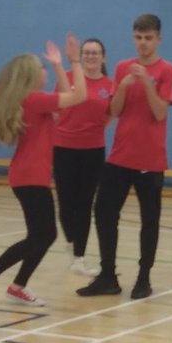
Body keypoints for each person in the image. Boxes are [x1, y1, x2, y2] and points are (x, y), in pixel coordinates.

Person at [0, 37, 86, 309]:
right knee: (42, 235)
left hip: (30, 175)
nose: (45, 71)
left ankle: (17, 286)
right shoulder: (33, 99)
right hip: (29, 176)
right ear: (31, 75)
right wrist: (74, 61)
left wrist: (58, 65)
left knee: (43, 235)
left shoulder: (34, 100)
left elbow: (67, 99)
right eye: (42, 68)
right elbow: (79, 96)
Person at [77, 14, 172, 300]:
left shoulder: (168, 71)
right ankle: (107, 276)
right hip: (120, 155)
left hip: (150, 159)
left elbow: (159, 112)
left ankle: (144, 277)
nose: (142, 43)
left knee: (150, 220)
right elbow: (115, 110)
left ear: (158, 39)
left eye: (148, 38)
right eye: (138, 38)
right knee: (104, 212)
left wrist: (146, 82)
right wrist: (122, 87)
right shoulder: (123, 67)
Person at [53, 37, 114, 277]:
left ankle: (79, 257)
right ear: (80, 56)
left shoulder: (109, 85)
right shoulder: (67, 78)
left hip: (93, 150)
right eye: (86, 52)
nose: (90, 56)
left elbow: (109, 115)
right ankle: (71, 244)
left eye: (95, 52)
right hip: (63, 148)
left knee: (85, 203)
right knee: (65, 202)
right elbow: (55, 109)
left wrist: (91, 132)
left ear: (103, 57)